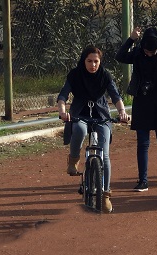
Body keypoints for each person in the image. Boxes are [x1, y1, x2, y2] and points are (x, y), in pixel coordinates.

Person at [57, 45, 129, 213]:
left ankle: (105, 195)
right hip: (79, 115)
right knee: (80, 130)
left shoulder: (105, 75)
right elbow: (63, 95)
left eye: (96, 61)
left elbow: (116, 96)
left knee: (104, 155)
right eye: (89, 61)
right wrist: (62, 111)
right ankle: (73, 160)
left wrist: (122, 112)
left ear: (100, 62)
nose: (93, 65)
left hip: (101, 116)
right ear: (84, 61)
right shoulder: (75, 75)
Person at [116, 24, 157, 192]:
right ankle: (143, 180)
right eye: (147, 51)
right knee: (142, 143)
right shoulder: (138, 53)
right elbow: (120, 56)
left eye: (152, 51)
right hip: (142, 101)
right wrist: (131, 39)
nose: (149, 54)